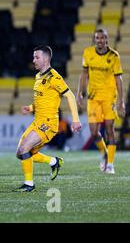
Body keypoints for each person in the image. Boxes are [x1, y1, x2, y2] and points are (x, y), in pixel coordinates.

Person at [15, 45, 82, 192]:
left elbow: (69, 95)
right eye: (33, 57)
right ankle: (54, 161)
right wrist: (31, 108)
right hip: (37, 121)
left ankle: (29, 184)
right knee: (21, 153)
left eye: (36, 57)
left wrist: (75, 119)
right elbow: (42, 99)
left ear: (46, 59)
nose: (33, 60)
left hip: (48, 124)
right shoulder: (38, 76)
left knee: (25, 148)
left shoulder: (54, 77)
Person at [76, 29, 125, 174]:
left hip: (109, 97)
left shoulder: (114, 56)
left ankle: (110, 164)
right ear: (94, 39)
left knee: (110, 128)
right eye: (97, 38)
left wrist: (121, 101)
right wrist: (79, 93)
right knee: (94, 133)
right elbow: (84, 74)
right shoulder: (88, 53)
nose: (100, 40)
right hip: (93, 97)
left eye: (102, 38)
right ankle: (104, 154)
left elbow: (119, 79)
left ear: (107, 40)